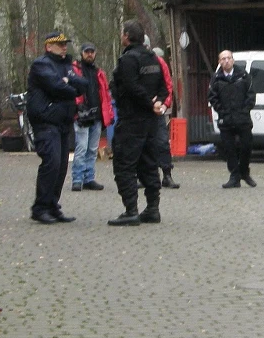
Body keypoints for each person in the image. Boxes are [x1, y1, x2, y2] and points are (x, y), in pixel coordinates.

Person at [108, 21, 168, 226]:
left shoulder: (128, 59)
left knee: (124, 164)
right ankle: (153, 209)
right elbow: (163, 86)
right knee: (149, 164)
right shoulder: (153, 58)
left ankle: (131, 210)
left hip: (132, 120)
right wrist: (158, 101)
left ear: (126, 36)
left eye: (121, 34)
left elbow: (131, 87)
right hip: (151, 121)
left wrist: (149, 103)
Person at [27, 31, 89, 224]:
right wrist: (70, 86)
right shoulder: (41, 64)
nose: (64, 47)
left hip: (63, 120)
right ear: (48, 46)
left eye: (65, 44)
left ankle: (53, 205)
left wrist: (68, 82)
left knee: (61, 166)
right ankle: (40, 207)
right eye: (60, 44)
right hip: (46, 120)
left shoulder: (67, 66)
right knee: (51, 163)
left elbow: (84, 84)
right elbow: (56, 87)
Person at [209, 50, 257, 188]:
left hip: (243, 118)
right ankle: (234, 176)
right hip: (226, 120)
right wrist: (221, 111)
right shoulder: (216, 78)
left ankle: (244, 172)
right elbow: (212, 97)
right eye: (223, 59)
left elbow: (251, 94)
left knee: (246, 146)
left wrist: (245, 109)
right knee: (229, 149)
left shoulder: (243, 75)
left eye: (228, 58)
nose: (226, 61)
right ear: (219, 62)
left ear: (233, 60)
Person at [70, 42, 113, 192]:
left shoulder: (99, 72)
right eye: (87, 51)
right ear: (82, 53)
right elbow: (71, 91)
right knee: (81, 147)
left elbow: (106, 95)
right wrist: (77, 106)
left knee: (92, 149)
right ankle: (77, 178)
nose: (89, 54)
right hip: (81, 115)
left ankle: (89, 178)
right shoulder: (74, 70)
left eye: (92, 52)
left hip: (96, 116)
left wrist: (109, 114)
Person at [151, 47, 179, 189]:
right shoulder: (131, 61)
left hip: (157, 110)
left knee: (162, 142)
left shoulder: (160, 63)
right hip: (141, 112)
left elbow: (168, 86)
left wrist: (163, 106)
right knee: (142, 145)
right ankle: (144, 176)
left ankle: (167, 175)